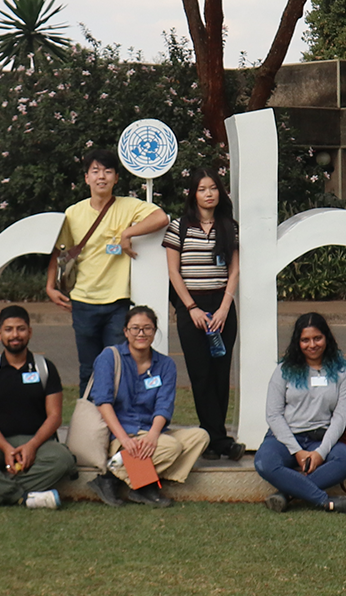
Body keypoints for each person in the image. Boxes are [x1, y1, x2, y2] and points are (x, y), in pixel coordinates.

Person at [46, 149, 166, 389]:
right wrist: (50, 286)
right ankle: (87, 422)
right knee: (88, 369)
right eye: (95, 171)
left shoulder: (128, 206)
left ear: (116, 178)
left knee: (118, 365)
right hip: (82, 301)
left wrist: (128, 233)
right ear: (86, 178)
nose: (102, 177)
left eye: (108, 171)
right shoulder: (73, 212)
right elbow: (60, 251)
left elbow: (161, 218)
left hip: (117, 303)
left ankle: (117, 424)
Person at [84, 306, 210, 508]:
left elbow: (164, 405)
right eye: (135, 328)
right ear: (126, 332)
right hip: (120, 435)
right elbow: (103, 402)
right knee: (171, 447)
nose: (141, 334)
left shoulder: (166, 365)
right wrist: (125, 439)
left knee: (200, 437)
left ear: (155, 331)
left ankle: (119, 478)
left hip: (151, 433)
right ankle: (140, 483)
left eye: (147, 328)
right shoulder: (110, 357)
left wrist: (152, 435)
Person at [0, 305, 75, 509]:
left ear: (30, 332)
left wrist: (32, 446)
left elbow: (55, 416)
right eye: (8, 330)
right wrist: (6, 448)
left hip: (39, 442)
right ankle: (25, 498)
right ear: (0, 334)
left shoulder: (45, 368)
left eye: (20, 329)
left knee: (63, 460)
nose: (15, 335)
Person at [165, 167, 245, 461]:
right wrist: (192, 308)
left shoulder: (229, 227)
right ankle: (220, 440)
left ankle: (212, 441)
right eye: (202, 189)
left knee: (220, 375)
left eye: (213, 188)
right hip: (191, 308)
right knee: (200, 374)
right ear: (193, 194)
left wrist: (224, 307)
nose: (208, 194)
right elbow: (174, 271)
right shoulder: (179, 227)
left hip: (222, 307)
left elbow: (233, 270)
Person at [255, 313, 346, 515]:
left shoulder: (342, 373)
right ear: (298, 342)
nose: (312, 345)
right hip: (284, 440)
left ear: (327, 339)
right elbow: (274, 415)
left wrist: (320, 453)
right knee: (264, 462)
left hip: (320, 439)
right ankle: (326, 502)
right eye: (305, 340)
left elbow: (340, 418)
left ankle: (286, 494)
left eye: (317, 338)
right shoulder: (284, 371)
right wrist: (297, 451)